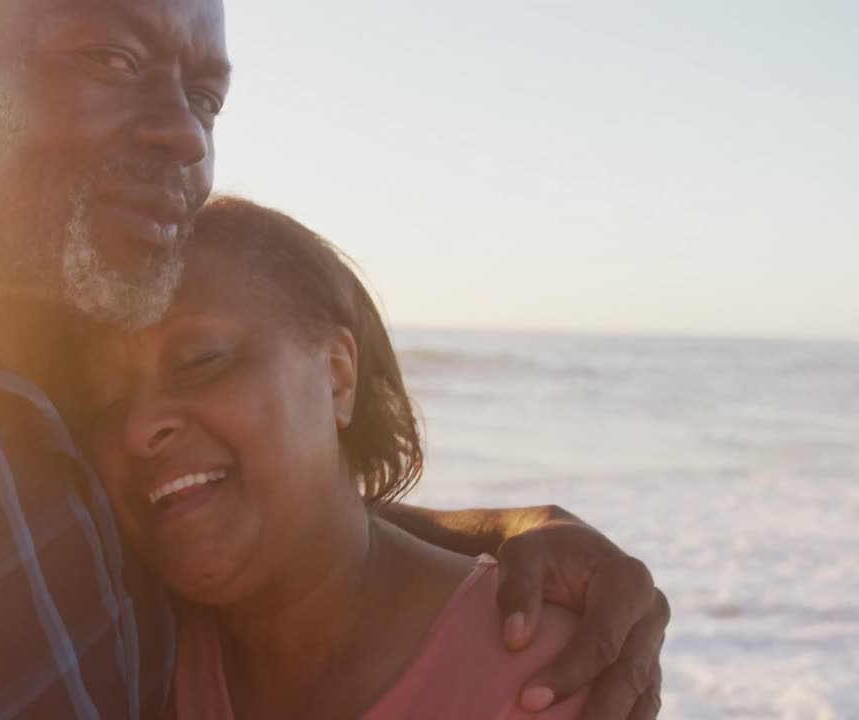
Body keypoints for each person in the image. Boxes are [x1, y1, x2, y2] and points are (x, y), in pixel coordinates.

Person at [0, 0, 667, 717]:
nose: (183, 135)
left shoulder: (64, 386)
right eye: (112, 56)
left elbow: (265, 517)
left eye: (204, 95)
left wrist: (507, 536)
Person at [83, 196, 590, 719]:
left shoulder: (546, 674)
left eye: (200, 359)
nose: (138, 426)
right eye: (101, 394)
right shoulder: (128, 652)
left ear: (338, 375)